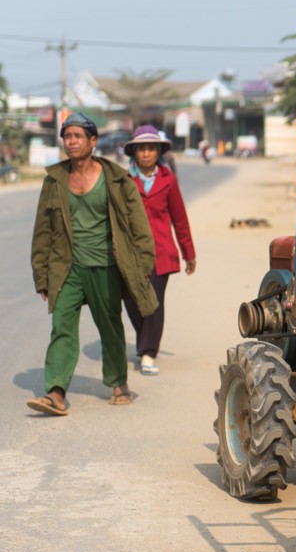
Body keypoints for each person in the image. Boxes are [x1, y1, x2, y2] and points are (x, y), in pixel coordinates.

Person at [28, 112, 158, 415]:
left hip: (106, 266)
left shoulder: (116, 179)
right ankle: (56, 392)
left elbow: (139, 226)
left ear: (93, 141)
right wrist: (41, 275)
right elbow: (42, 231)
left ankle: (117, 383)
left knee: (110, 325)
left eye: (77, 136)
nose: (71, 142)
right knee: (61, 326)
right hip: (67, 269)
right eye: (67, 137)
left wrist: (143, 268)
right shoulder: (55, 180)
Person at [122, 125, 196, 376]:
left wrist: (189, 253)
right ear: (134, 153)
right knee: (131, 300)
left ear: (158, 152)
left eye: (150, 149)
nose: (145, 154)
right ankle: (145, 339)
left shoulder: (168, 180)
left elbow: (180, 219)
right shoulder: (124, 181)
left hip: (161, 252)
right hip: (130, 254)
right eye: (141, 149)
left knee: (153, 303)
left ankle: (148, 353)